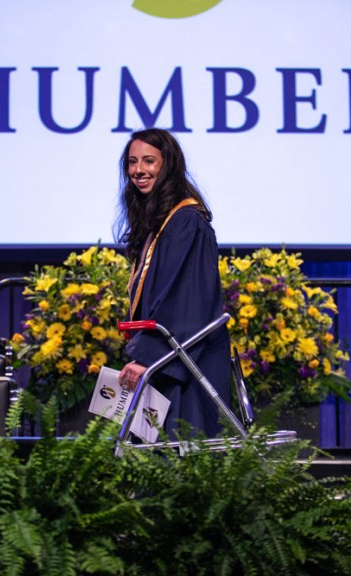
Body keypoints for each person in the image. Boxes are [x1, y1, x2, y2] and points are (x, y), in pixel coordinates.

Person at [114, 128, 231, 440]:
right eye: (132, 162)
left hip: (185, 362)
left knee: (179, 459)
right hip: (168, 359)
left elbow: (184, 299)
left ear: (168, 166)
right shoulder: (161, 221)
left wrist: (149, 359)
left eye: (149, 161)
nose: (139, 170)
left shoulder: (185, 221)